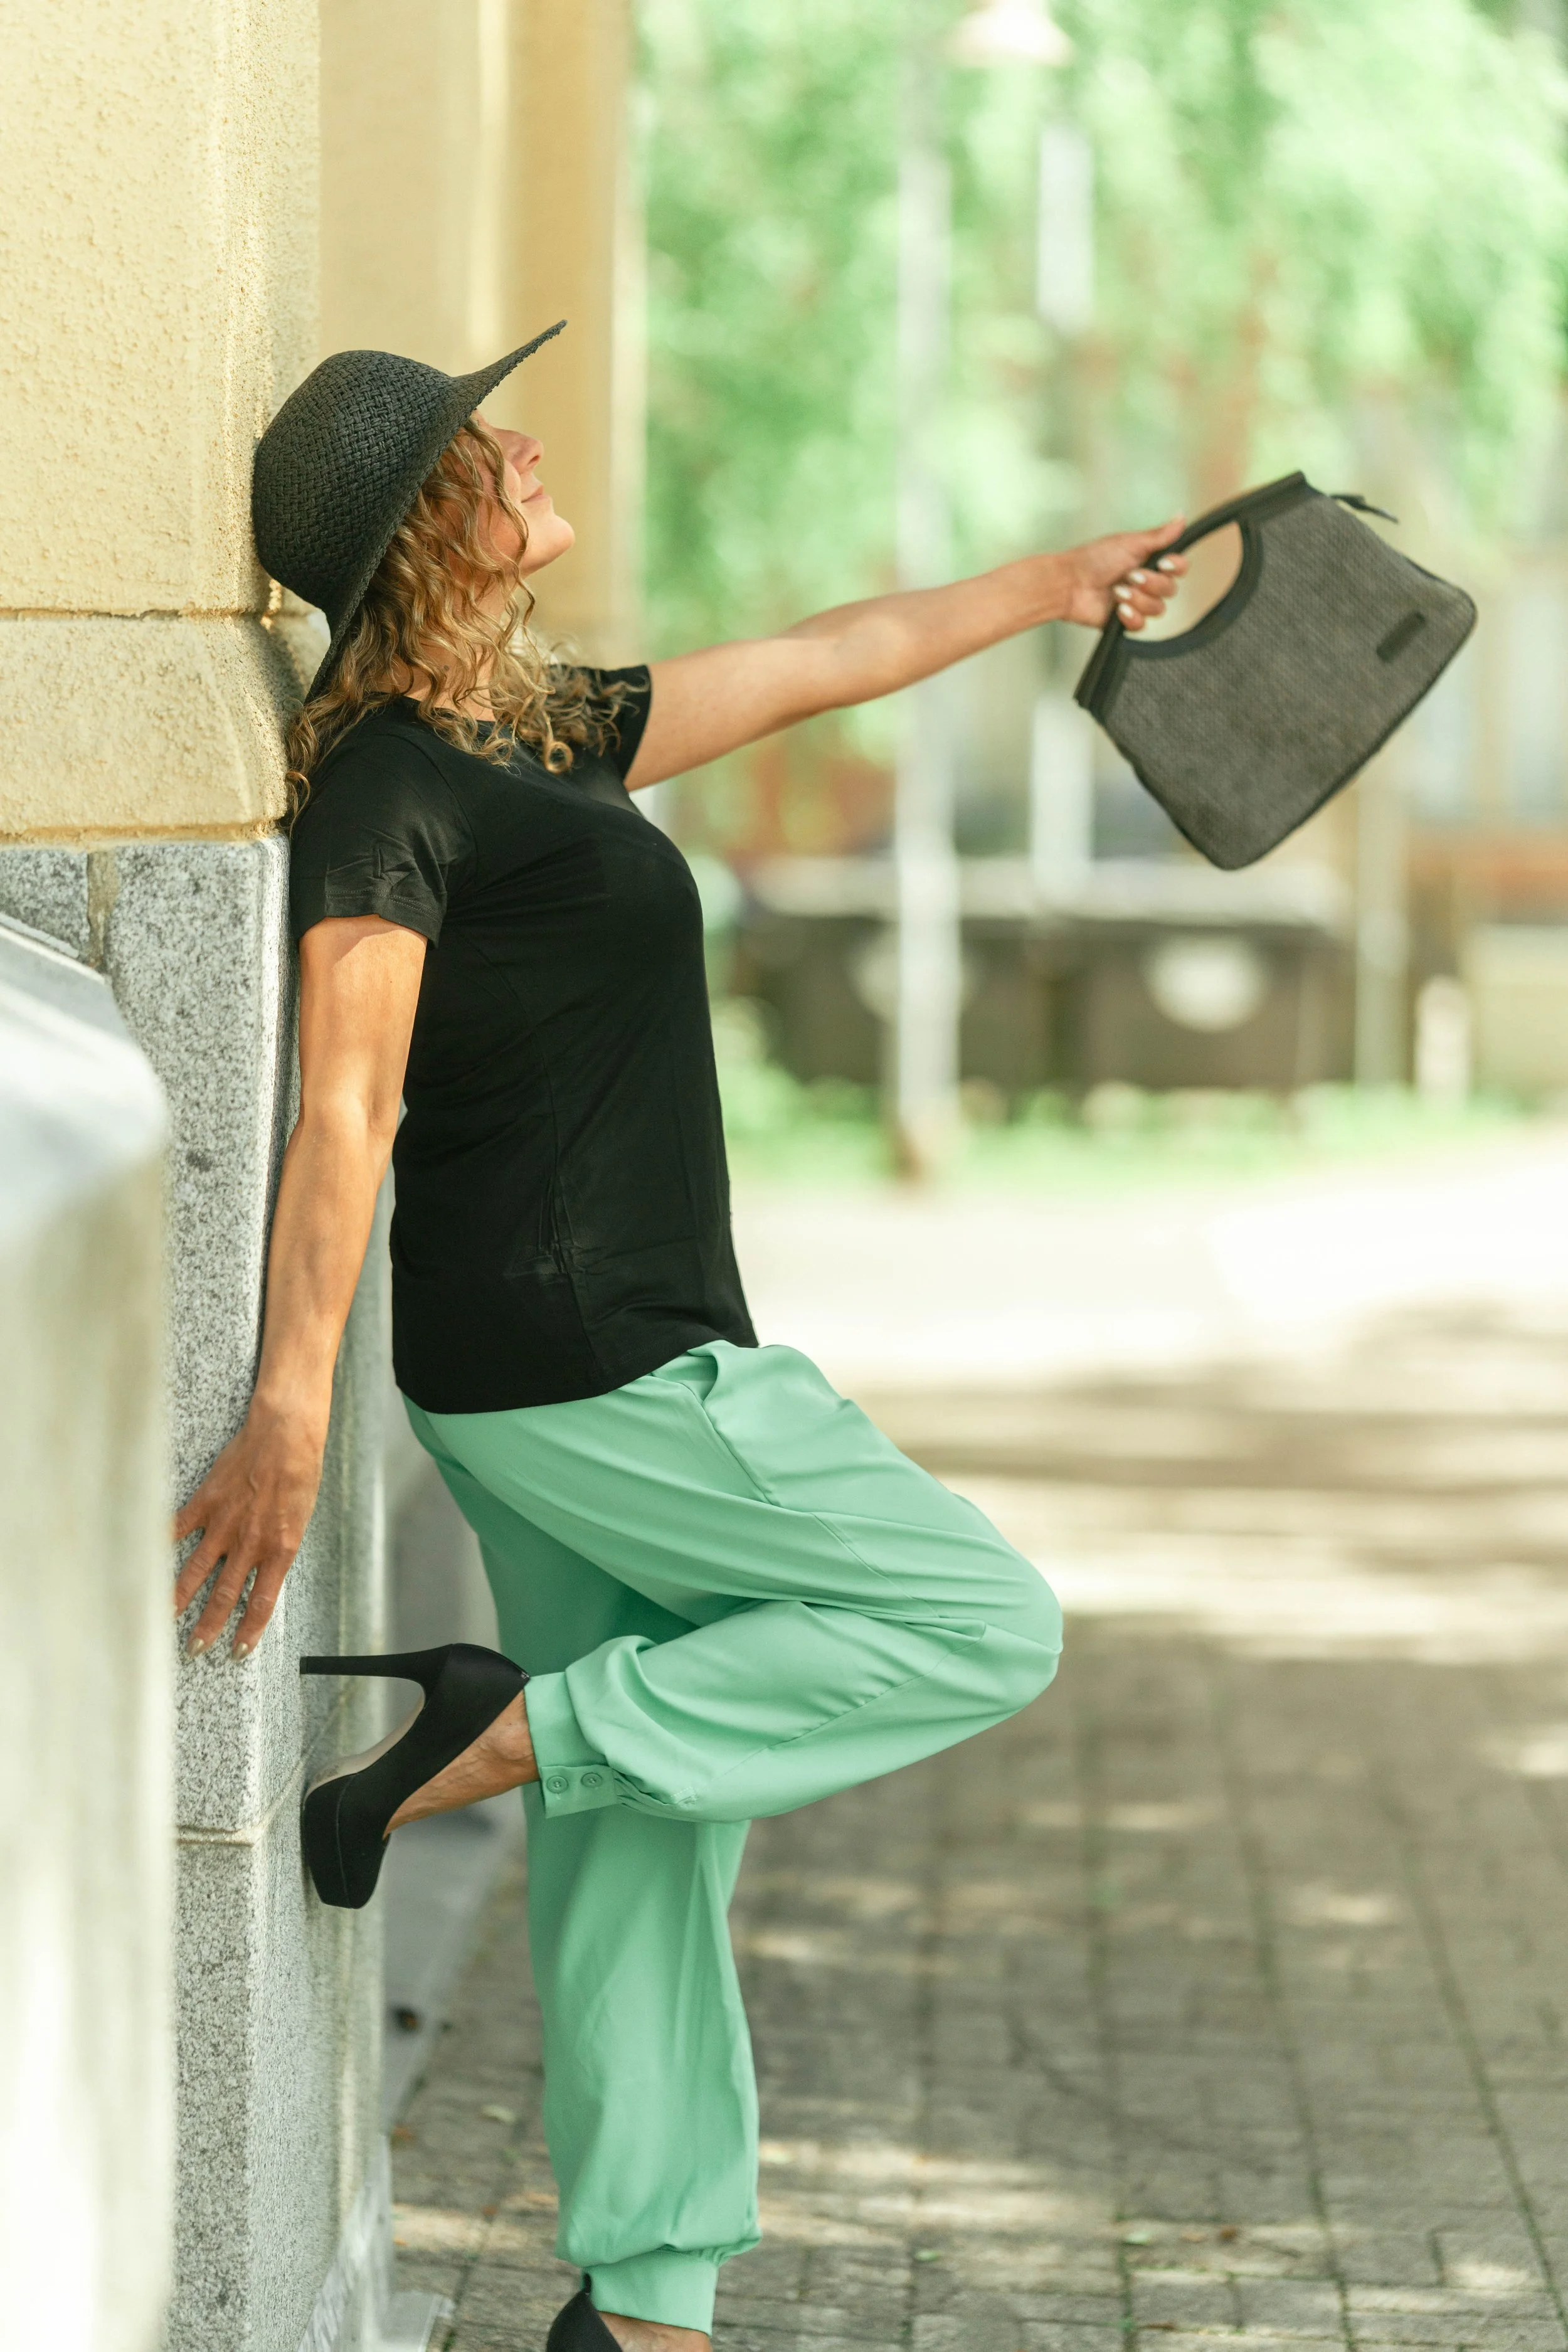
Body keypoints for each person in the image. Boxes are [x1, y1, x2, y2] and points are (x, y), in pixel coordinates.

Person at [175, 329, 1187, 2352]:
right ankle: (481, 1735)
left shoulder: (537, 732)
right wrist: (288, 1402)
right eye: (481, 447)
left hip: (577, 1361)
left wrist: (1055, 581)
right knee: (978, 1614)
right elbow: (343, 1109)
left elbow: (829, 655)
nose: (524, 443)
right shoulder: (386, 790)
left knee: (647, 1841)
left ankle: (641, 2309)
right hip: (589, 1367)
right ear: (421, 534)